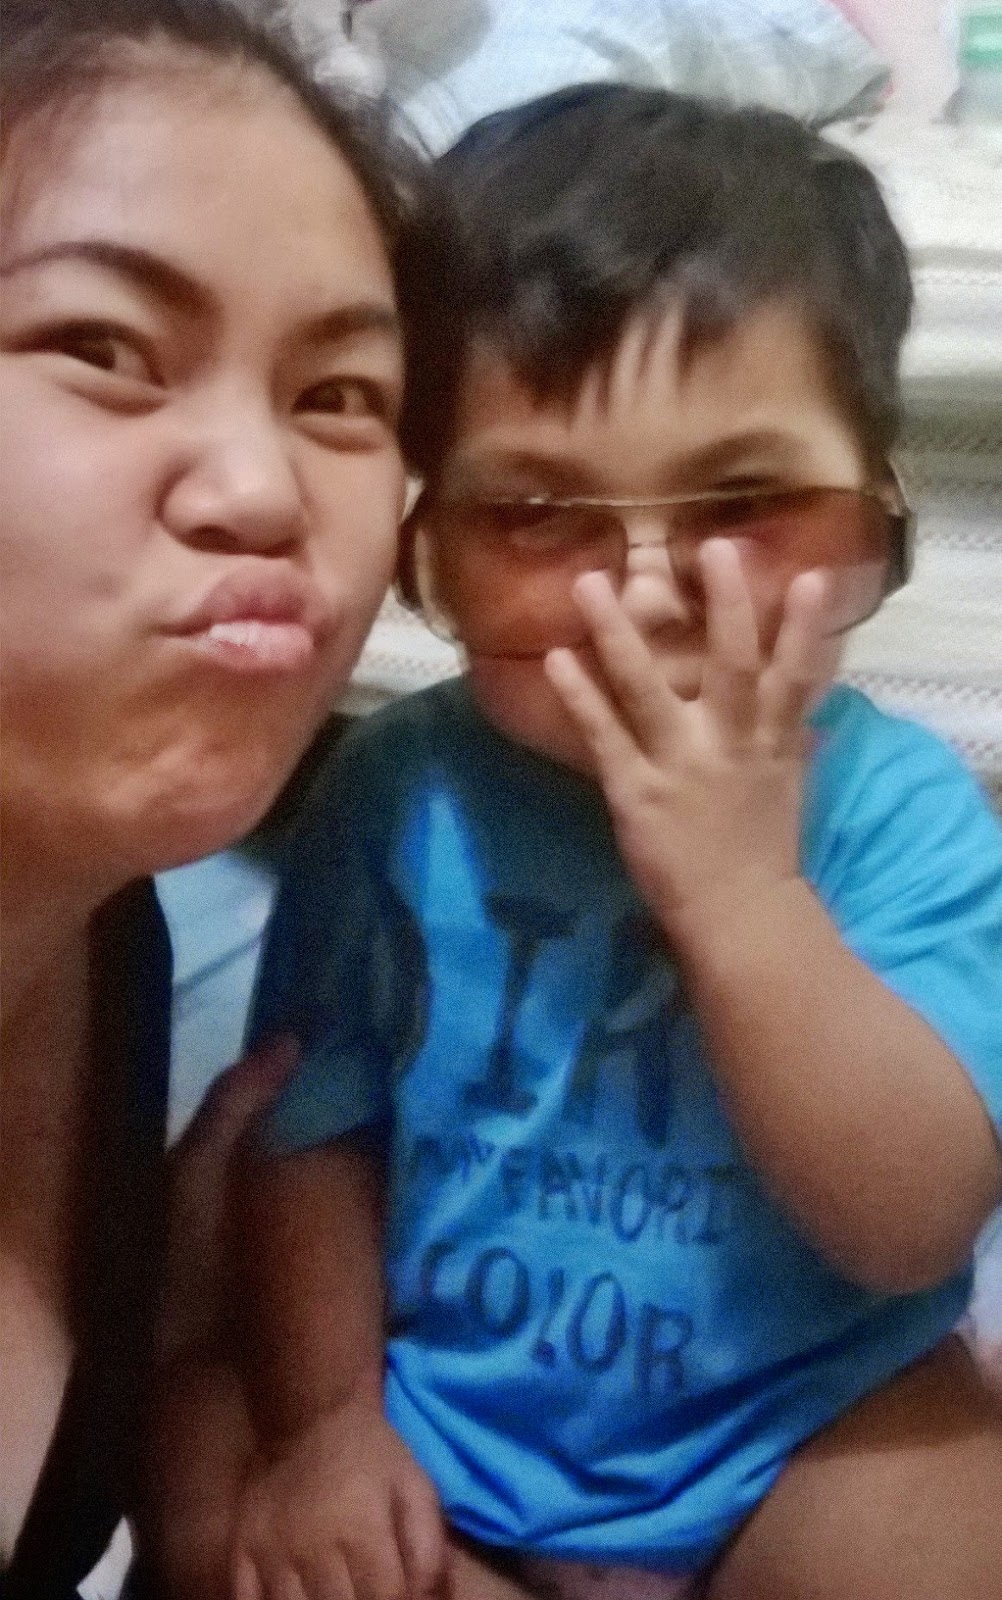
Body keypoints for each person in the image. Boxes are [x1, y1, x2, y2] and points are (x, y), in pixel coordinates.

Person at [230, 86, 1002, 1600]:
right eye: (536, 514)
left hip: (805, 1424)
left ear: (879, 516)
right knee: (230, 1478)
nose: (645, 596)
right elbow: (310, 1140)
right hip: (445, 1434)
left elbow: (915, 1228)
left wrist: (745, 898)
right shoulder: (397, 793)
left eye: (749, 501)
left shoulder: (898, 808)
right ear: (428, 551)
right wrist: (325, 1425)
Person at [0, 0, 421, 1590]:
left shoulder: (112, 946)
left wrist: (169, 1325)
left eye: (342, 396)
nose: (262, 491)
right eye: (101, 348)